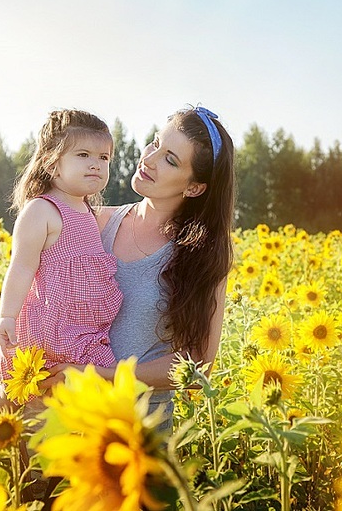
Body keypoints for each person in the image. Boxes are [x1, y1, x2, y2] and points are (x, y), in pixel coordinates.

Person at [44, 105, 235, 426]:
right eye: (155, 143)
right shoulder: (94, 222)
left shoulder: (202, 255)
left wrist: (101, 376)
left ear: (194, 187)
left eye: (170, 159)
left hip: (138, 429)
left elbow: (198, 362)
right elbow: (43, 306)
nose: (149, 158)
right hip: (66, 415)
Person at [0, 108, 122, 414]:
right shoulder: (42, 210)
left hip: (84, 331)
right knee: (41, 402)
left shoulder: (90, 213)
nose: (96, 164)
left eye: (104, 158)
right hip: (52, 330)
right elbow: (22, 268)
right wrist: (7, 317)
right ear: (51, 163)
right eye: (83, 154)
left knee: (76, 408)